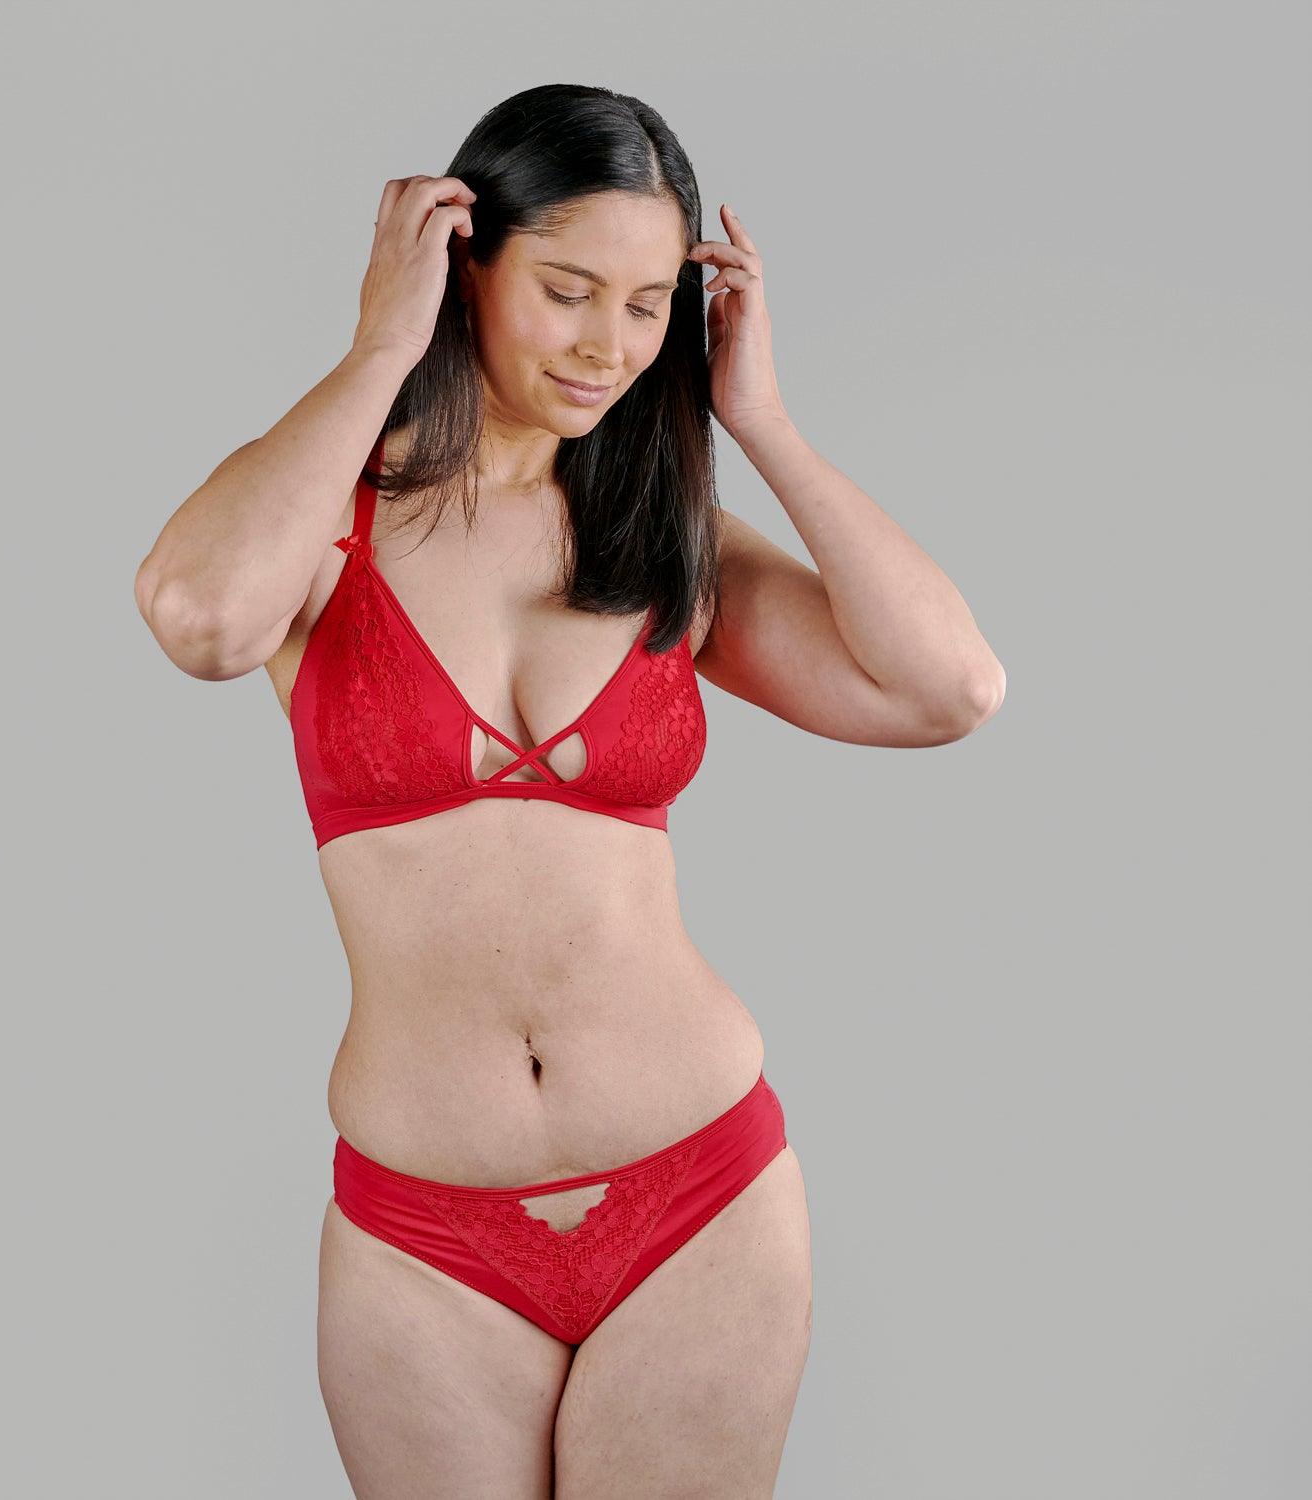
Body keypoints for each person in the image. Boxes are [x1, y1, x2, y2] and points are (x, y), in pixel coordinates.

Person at [134, 84, 1004, 1500]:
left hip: (697, 1194)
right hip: (424, 1238)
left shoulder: (663, 541)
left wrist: (763, 419)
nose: (609, 344)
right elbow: (202, 620)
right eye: (568, 291)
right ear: (463, 264)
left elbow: (946, 689)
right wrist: (379, 347)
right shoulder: (323, 519)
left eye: (649, 305)